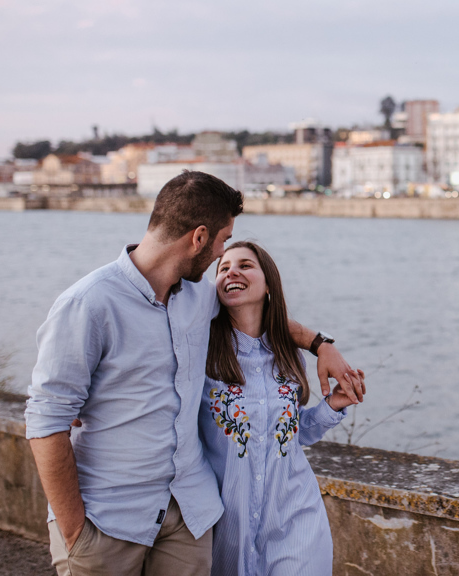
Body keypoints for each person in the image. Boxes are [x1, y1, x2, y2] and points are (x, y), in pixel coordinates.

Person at [25, 171, 364, 576]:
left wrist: (320, 344)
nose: (224, 257)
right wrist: (74, 530)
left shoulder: (201, 295)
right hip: (110, 515)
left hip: (189, 514)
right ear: (199, 238)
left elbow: (263, 314)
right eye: (223, 242)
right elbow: (46, 419)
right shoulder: (89, 304)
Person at [202, 241, 361, 576]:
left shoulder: (288, 357)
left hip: (295, 518)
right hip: (227, 527)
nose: (232, 271)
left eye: (245, 265)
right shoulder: (201, 352)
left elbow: (291, 434)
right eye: (223, 267)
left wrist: (332, 405)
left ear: (268, 283)